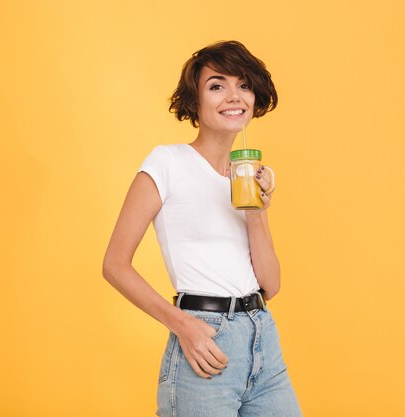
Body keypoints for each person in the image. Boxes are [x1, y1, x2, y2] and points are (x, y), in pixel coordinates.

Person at [102, 40, 303, 417]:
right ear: (195, 101)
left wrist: (257, 211)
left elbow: (271, 285)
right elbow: (114, 264)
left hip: (262, 338)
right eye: (217, 85)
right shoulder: (167, 162)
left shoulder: (246, 175)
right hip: (206, 341)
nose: (234, 96)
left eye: (244, 85)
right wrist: (183, 325)